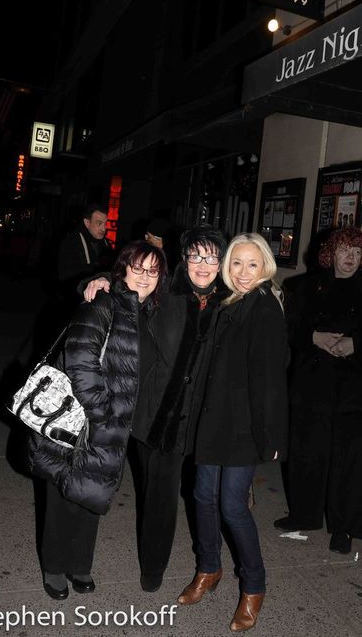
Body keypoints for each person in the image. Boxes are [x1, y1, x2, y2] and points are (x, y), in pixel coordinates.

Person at [82, 224, 228, 592]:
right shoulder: (167, 293)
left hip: (194, 420)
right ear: (185, 260)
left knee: (166, 495)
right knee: (151, 488)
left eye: (211, 257)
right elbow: (131, 280)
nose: (203, 264)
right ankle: (153, 563)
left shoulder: (230, 303)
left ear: (221, 262)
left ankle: (154, 568)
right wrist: (98, 279)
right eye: (195, 255)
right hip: (150, 413)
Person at [28, 240, 168, 600]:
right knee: (62, 493)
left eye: (153, 271)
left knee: (91, 493)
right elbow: (79, 359)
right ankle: (54, 566)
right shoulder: (103, 303)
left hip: (111, 425)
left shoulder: (149, 311)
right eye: (137, 268)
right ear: (121, 269)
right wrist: (100, 410)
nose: (145, 277)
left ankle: (79, 563)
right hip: (81, 419)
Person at [178, 232, 289, 634]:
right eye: (237, 264)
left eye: (252, 264)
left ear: (265, 267)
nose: (244, 272)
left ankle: (254, 587)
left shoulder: (264, 307)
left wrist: (271, 435)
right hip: (215, 419)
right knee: (201, 495)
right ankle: (209, 568)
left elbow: (272, 379)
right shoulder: (230, 302)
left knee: (232, 507)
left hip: (244, 424)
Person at [274, 226, 362, 556]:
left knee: (349, 461)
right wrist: (315, 337)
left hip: (353, 388)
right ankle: (305, 515)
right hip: (313, 384)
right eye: (345, 250)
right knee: (307, 453)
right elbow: (289, 328)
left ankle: (344, 527)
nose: (351, 257)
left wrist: (356, 344)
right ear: (331, 253)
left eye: (358, 252)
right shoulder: (306, 286)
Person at [57, 201, 115, 309]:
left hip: (99, 301)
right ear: (87, 223)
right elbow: (66, 278)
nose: (104, 229)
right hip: (75, 301)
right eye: (99, 223)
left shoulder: (106, 244)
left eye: (105, 223)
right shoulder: (71, 242)